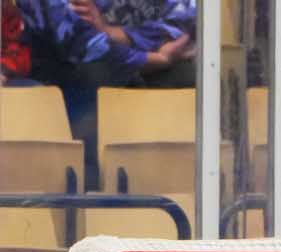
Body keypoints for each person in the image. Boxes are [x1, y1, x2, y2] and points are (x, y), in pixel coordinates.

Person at [15, 0, 194, 168]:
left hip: (136, 62)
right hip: (69, 72)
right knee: (96, 74)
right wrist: (154, 59)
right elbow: (80, 41)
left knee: (188, 77)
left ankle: (165, 179)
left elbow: (183, 24)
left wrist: (112, 32)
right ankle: (94, 180)